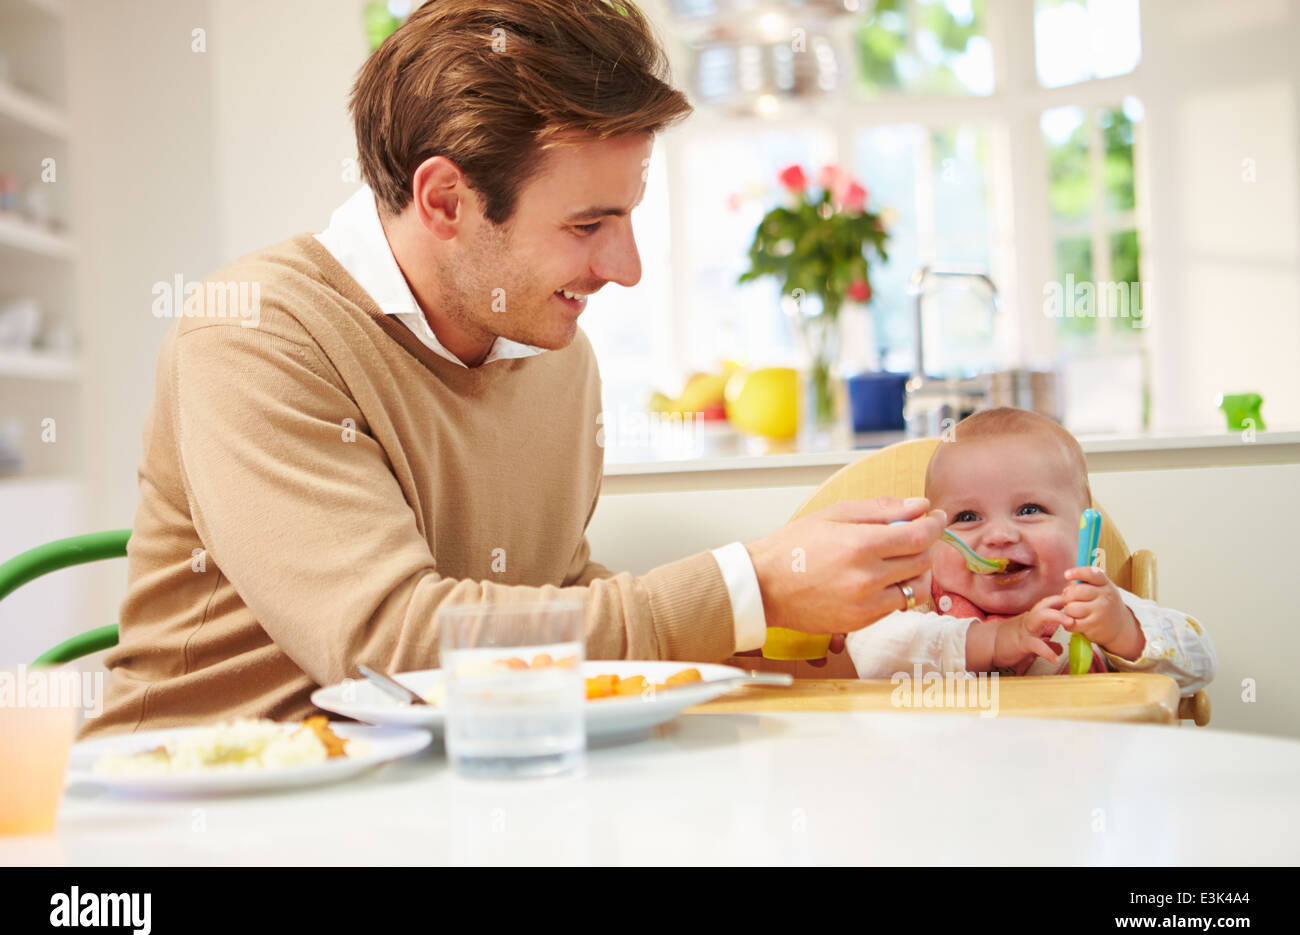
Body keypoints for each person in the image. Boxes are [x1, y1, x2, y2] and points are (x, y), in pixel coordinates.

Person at [80, 0, 942, 739]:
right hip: (202, 813)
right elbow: (396, 643)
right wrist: (750, 588)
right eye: (587, 224)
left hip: (440, 795)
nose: (627, 266)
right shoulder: (258, 335)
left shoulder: (555, 355)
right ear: (446, 200)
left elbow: (547, 605)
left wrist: (791, 635)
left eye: (629, 217)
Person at [847, 407, 1217, 694]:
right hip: (950, 778)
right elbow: (869, 650)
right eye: (967, 516)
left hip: (1073, 776)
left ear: (1083, 526)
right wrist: (991, 642)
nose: (999, 536)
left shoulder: (1090, 606)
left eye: (1029, 510)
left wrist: (1124, 632)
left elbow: (1200, 663)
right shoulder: (919, 601)